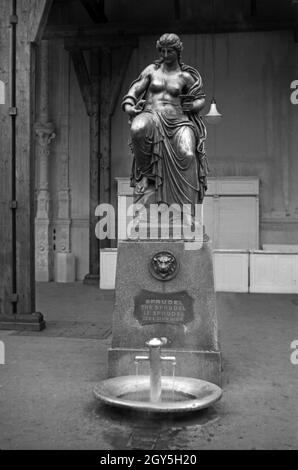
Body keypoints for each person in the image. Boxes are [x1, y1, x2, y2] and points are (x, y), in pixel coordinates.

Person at [122, 33, 208, 211]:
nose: (165, 54)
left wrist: (193, 105)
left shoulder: (185, 76)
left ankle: (184, 208)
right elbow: (135, 88)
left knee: (188, 153)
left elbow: (200, 99)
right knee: (138, 128)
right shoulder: (151, 71)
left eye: (170, 51)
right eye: (162, 50)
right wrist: (129, 106)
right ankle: (147, 176)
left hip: (178, 120)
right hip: (151, 114)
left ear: (178, 52)